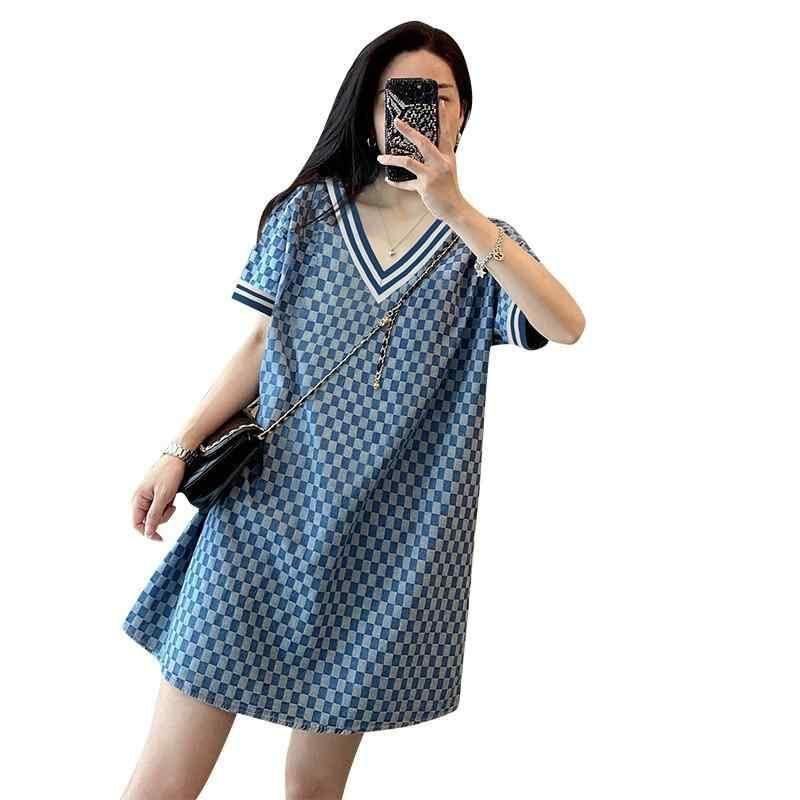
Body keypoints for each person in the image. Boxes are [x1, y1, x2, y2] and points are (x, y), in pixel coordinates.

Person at [120, 19, 585, 800]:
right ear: (370, 113)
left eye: (437, 95)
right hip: (261, 520)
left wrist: (456, 209)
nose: (419, 109)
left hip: (384, 547)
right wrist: (178, 448)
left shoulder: (483, 248)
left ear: (463, 114)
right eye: (399, 95)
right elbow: (260, 345)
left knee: (313, 787)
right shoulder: (306, 215)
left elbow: (565, 326)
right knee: (166, 777)